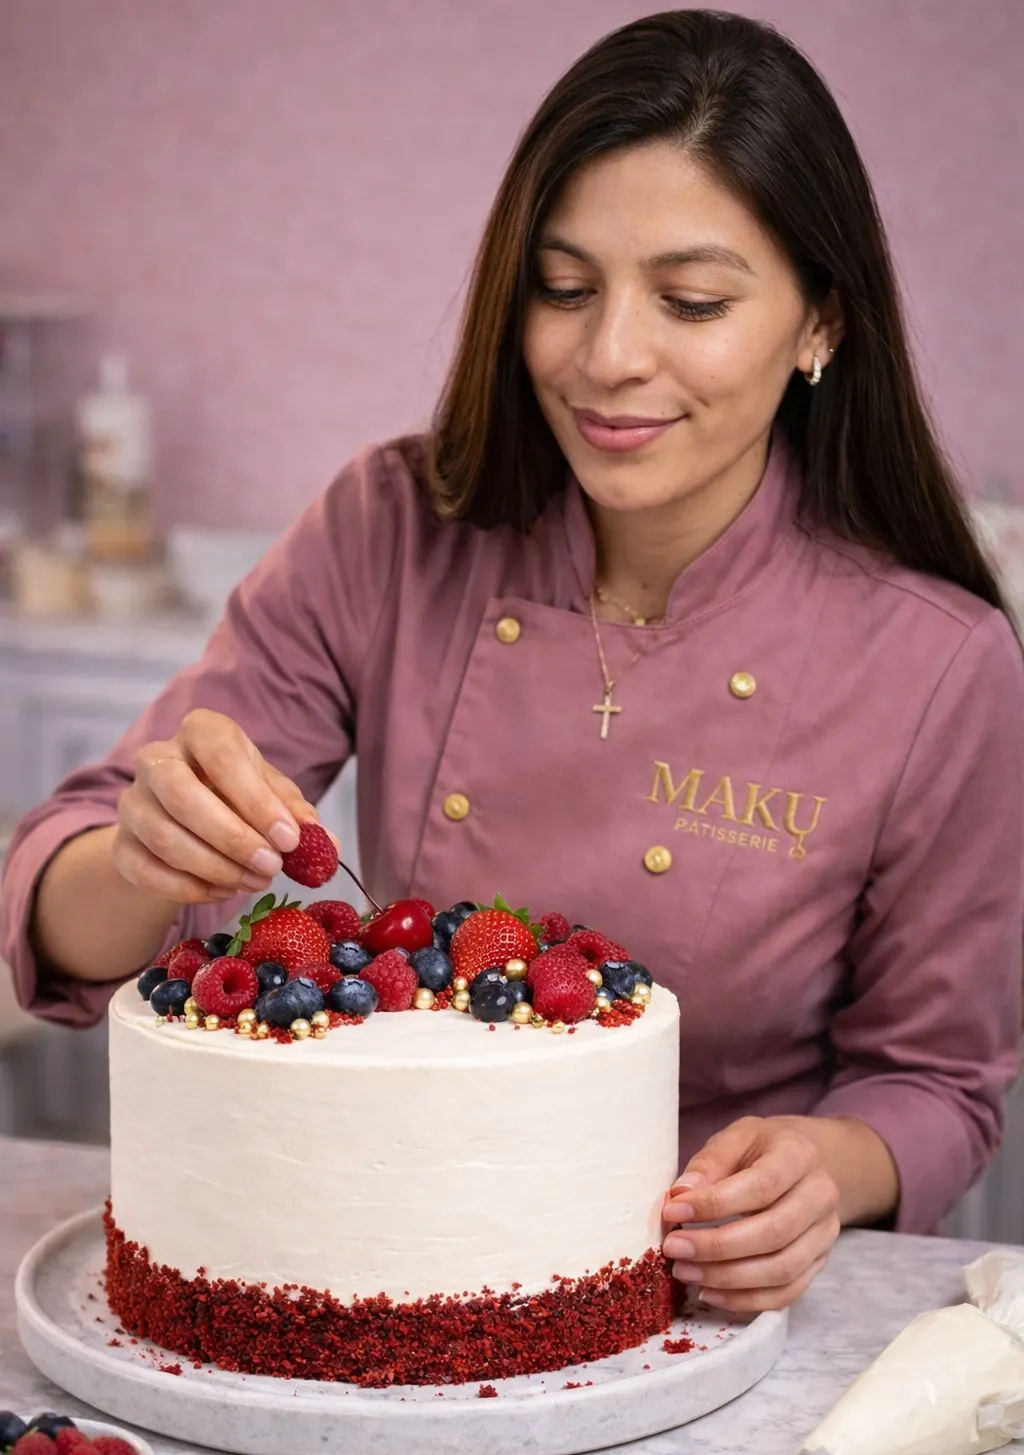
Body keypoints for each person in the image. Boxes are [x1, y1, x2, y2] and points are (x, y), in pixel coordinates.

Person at [3, 9, 1022, 1315]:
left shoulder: (941, 665)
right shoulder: (391, 528)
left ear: (821, 321)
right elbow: (63, 876)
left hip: (698, 1303)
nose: (607, 358)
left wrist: (822, 1170)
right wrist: (144, 860)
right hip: (369, 1261)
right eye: (563, 286)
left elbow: (937, 1081)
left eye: (693, 300)